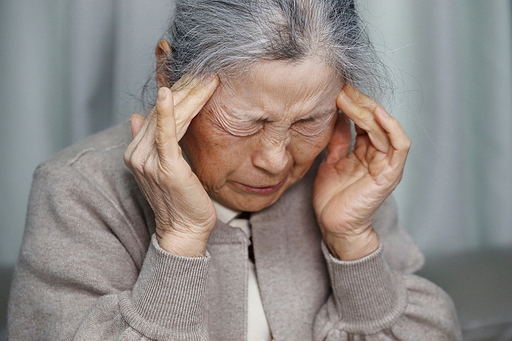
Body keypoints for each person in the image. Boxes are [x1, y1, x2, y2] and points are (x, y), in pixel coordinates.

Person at [8, 0, 462, 340]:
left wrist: (352, 242)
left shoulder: (342, 173)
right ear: (168, 73)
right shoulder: (75, 191)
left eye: (309, 121)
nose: (277, 160)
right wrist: (180, 238)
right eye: (247, 123)